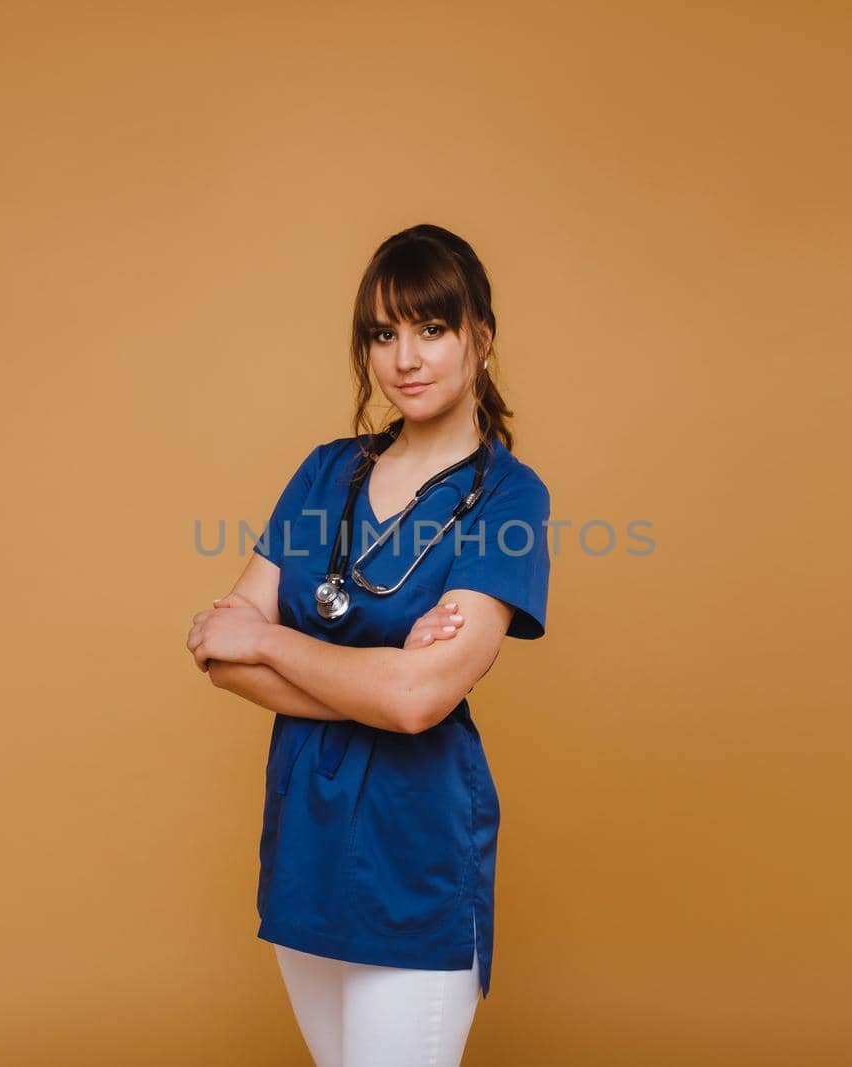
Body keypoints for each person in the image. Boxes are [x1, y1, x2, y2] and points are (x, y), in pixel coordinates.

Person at [185, 223, 552, 1066]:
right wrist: (381, 678)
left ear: (480, 338)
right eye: (383, 334)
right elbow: (222, 654)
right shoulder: (326, 472)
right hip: (305, 847)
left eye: (432, 328)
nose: (405, 358)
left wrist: (279, 642)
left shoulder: (507, 499)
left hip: (410, 852)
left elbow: (419, 700)